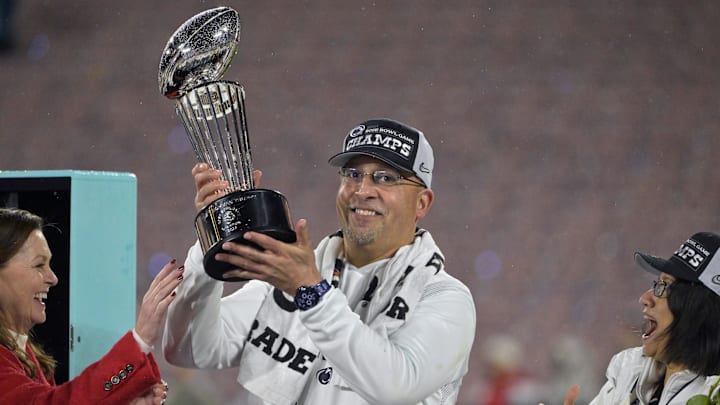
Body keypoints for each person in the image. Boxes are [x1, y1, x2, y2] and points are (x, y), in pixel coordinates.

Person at [163, 118, 477, 404]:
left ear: (422, 203)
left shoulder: (444, 298)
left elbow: (394, 387)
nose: (363, 190)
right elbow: (189, 348)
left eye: (385, 178)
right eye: (353, 175)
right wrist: (214, 236)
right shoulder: (293, 273)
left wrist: (311, 293)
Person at [0, 207, 185, 404]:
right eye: (39, 265)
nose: (53, 278)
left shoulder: (25, 354)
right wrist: (140, 340)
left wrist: (124, 400)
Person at [564, 231, 720, 405]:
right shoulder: (629, 377)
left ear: (700, 309)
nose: (645, 299)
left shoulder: (713, 396)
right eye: (657, 284)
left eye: (665, 286)